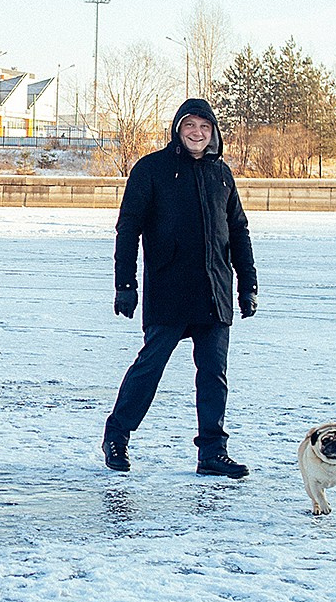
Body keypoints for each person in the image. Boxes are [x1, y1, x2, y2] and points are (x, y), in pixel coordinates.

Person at [104, 99, 256, 479]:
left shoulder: (221, 173)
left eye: (205, 128)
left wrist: (247, 284)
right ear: (178, 128)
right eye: (190, 126)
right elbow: (129, 229)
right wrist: (126, 284)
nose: (197, 134)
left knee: (213, 375)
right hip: (169, 288)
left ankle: (212, 452)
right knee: (150, 367)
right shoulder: (152, 169)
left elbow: (238, 231)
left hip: (213, 289)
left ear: (214, 132)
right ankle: (117, 436)